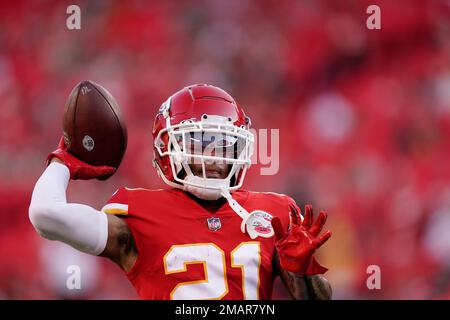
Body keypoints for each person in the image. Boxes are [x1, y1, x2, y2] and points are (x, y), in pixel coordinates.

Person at [29, 83, 332, 300]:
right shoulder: (138, 212)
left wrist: (302, 270)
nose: (214, 156)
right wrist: (63, 162)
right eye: (200, 142)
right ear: (167, 147)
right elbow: (45, 214)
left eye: (224, 143)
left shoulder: (274, 212)